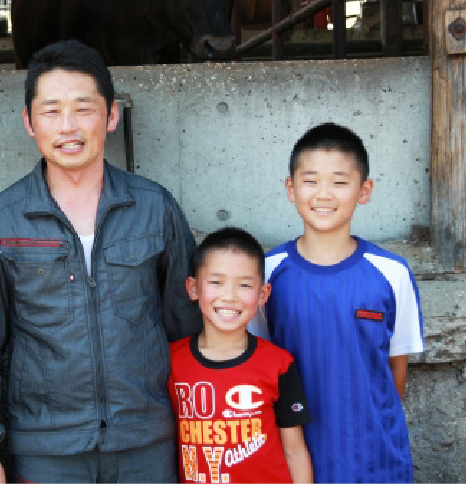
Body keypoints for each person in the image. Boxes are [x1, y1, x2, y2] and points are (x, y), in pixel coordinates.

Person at [0, 39, 202, 483]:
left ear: (111, 116)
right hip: (46, 448)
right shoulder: (0, 220)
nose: (68, 126)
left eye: (83, 108)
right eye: (51, 110)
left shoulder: (154, 209)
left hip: (146, 443)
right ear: (29, 122)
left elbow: (186, 326)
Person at [249, 122, 424, 483]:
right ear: (290, 188)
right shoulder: (266, 273)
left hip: (373, 460)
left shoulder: (392, 272)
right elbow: (257, 365)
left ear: (364, 190)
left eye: (340, 182)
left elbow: (396, 368)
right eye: (311, 180)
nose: (324, 194)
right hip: (293, 459)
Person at [169, 227, 312, 484]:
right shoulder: (170, 362)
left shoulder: (278, 364)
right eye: (216, 282)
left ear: (262, 294)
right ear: (193, 288)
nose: (229, 296)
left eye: (244, 285)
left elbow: (294, 450)